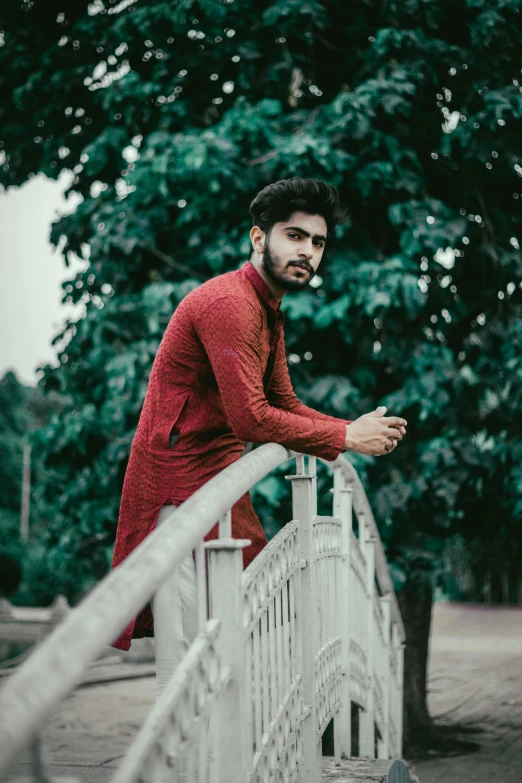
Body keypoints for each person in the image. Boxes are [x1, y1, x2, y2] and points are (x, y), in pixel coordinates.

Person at [110, 178, 407, 669]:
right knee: (202, 665)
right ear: (257, 238)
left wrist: (348, 428)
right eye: (294, 236)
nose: (308, 252)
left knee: (248, 634)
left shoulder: (265, 307)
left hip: (215, 490)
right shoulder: (230, 305)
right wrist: (345, 437)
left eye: (318, 242)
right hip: (177, 500)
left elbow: (281, 400)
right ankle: (204, 750)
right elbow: (251, 417)